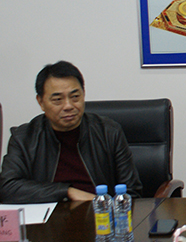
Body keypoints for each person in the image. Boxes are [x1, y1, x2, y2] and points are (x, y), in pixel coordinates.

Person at [0, 61, 142, 203]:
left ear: (83, 95)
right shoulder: (24, 138)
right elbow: (6, 187)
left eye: (75, 97)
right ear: (41, 102)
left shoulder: (109, 132)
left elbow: (132, 192)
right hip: (49, 214)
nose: (68, 106)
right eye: (57, 100)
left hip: (100, 213)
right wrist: (67, 192)